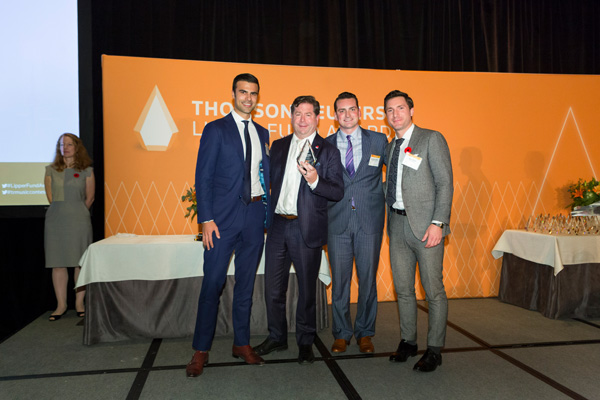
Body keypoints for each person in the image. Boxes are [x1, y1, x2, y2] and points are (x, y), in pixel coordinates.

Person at [186, 73, 271, 378]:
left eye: (253, 93)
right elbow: (203, 177)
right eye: (243, 92)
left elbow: (264, 176)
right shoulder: (216, 129)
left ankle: (242, 343)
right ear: (233, 94)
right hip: (221, 221)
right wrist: (206, 219)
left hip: (254, 217)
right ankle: (201, 349)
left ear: (257, 97)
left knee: (246, 285)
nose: (248, 98)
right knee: (213, 283)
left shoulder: (263, 133)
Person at [253, 95, 344, 364]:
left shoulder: (327, 151)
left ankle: (305, 342)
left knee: (306, 291)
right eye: (297, 114)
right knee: (273, 288)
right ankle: (277, 337)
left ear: (317, 118)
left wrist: (315, 181)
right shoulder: (279, 146)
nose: (302, 120)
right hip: (278, 226)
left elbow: (337, 191)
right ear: (291, 116)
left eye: (308, 114)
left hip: (306, 228)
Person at [383, 90, 453, 372]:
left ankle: (434, 349)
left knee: (433, 290)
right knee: (403, 289)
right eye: (390, 110)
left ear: (411, 110)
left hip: (426, 228)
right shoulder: (391, 146)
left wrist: (439, 223)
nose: (395, 114)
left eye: (400, 108)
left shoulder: (431, 138)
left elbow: (445, 183)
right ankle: (408, 342)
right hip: (397, 225)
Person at [325, 92, 388, 354]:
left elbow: (396, 174)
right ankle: (341, 333)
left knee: (367, 280)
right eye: (341, 110)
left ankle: (365, 333)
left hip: (369, 221)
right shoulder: (325, 144)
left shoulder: (379, 140)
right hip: (337, 222)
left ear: (360, 112)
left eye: (351, 109)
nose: (347, 114)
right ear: (335, 115)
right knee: (340, 282)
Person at [44, 133, 94, 321]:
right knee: (57, 262)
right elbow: (50, 197)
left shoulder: (87, 170)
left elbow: (90, 198)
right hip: (56, 220)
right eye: (62, 144)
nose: (65, 148)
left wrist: (76, 211)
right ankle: (61, 305)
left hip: (79, 220)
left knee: (79, 262)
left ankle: (79, 303)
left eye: (69, 144)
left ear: (77, 146)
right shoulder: (50, 170)